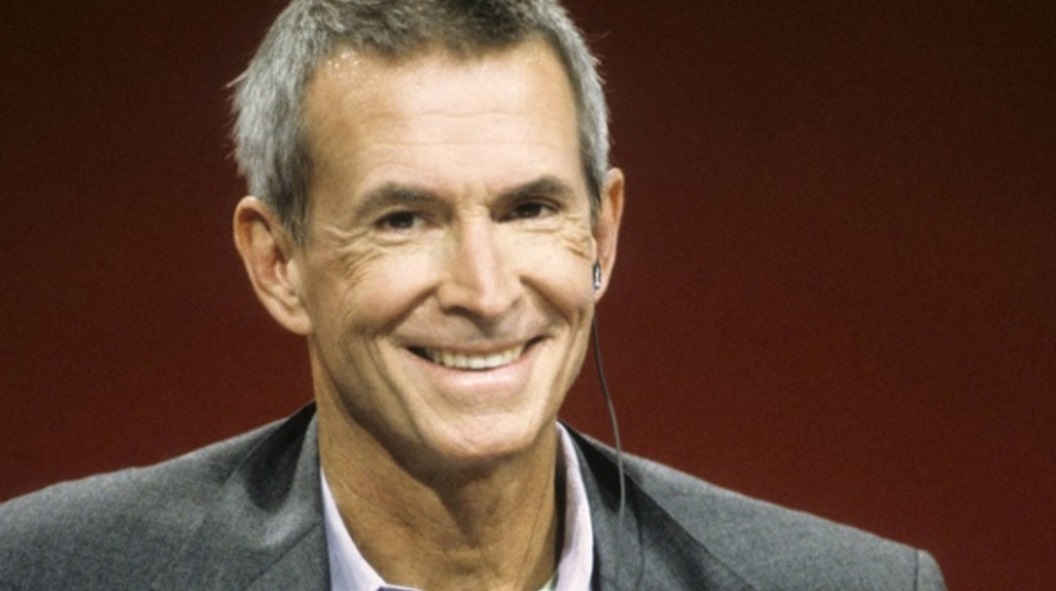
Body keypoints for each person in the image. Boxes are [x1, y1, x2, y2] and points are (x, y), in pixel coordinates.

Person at [0, 1, 946, 589]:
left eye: (531, 208)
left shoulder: (850, 586)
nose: (486, 292)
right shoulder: (48, 571)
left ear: (602, 234)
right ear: (278, 261)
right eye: (404, 218)